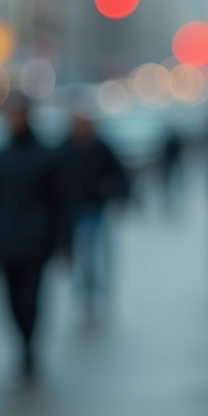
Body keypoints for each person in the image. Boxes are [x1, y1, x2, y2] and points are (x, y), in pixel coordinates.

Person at [0, 93, 65, 381]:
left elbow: (59, 202)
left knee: (30, 299)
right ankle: (20, 344)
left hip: (36, 242)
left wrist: (62, 241)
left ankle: (29, 349)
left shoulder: (46, 155)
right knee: (10, 301)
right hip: (4, 241)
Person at [57, 112, 128, 321]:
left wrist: (118, 196)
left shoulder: (100, 147)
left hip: (95, 208)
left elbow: (118, 174)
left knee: (93, 254)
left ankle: (93, 293)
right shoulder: (65, 149)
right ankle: (87, 292)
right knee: (82, 254)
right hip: (72, 210)